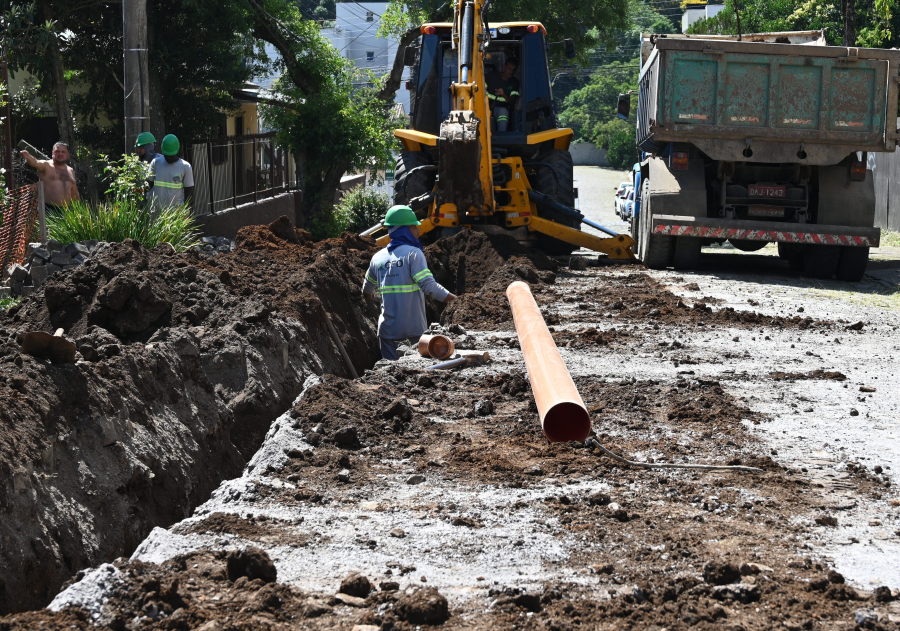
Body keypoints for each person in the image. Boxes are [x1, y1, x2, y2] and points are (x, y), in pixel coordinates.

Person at [362, 205, 457, 360]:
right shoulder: (413, 254)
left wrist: (377, 299)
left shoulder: (377, 258)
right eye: (414, 227)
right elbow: (430, 287)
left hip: (387, 332)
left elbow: (366, 291)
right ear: (404, 229)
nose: (418, 231)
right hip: (413, 333)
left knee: (387, 376)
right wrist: (458, 301)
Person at [20, 141, 79, 212]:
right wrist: (28, 157)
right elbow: (36, 162)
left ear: (68, 155)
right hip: (48, 210)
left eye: (63, 152)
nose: (60, 154)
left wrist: (78, 209)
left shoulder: (71, 170)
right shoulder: (46, 165)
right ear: (53, 153)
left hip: (67, 211)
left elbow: (74, 191)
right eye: (57, 151)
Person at [148, 134, 194, 210]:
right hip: (156, 213)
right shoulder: (155, 163)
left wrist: (187, 211)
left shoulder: (185, 167)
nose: (169, 157)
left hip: (176, 215)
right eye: (167, 155)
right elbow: (148, 185)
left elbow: (189, 192)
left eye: (171, 155)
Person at [486, 57, 520, 132]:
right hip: (486, 108)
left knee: (503, 112)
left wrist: (503, 94)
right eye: (509, 68)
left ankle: (502, 136)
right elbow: (480, 89)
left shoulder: (514, 83)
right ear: (504, 66)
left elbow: (513, 101)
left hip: (500, 109)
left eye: (513, 70)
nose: (511, 72)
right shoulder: (491, 76)